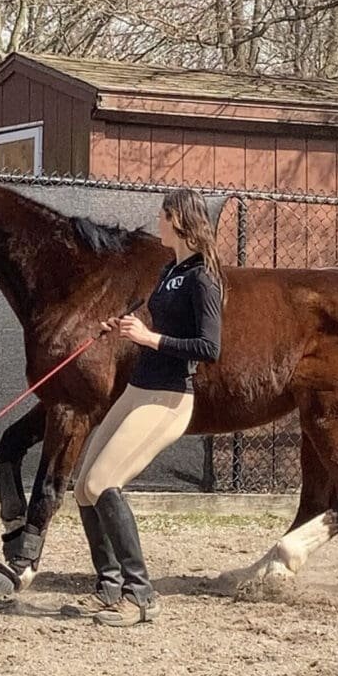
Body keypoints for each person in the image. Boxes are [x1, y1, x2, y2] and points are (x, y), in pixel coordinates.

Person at [62, 188, 224, 627]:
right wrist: (126, 328)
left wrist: (150, 339)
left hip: (170, 398)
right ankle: (109, 587)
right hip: (139, 388)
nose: (158, 220)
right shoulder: (171, 268)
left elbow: (210, 346)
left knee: (102, 482)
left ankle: (141, 595)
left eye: (163, 215)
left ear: (179, 220)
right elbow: (164, 323)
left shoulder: (203, 278)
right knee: (82, 488)